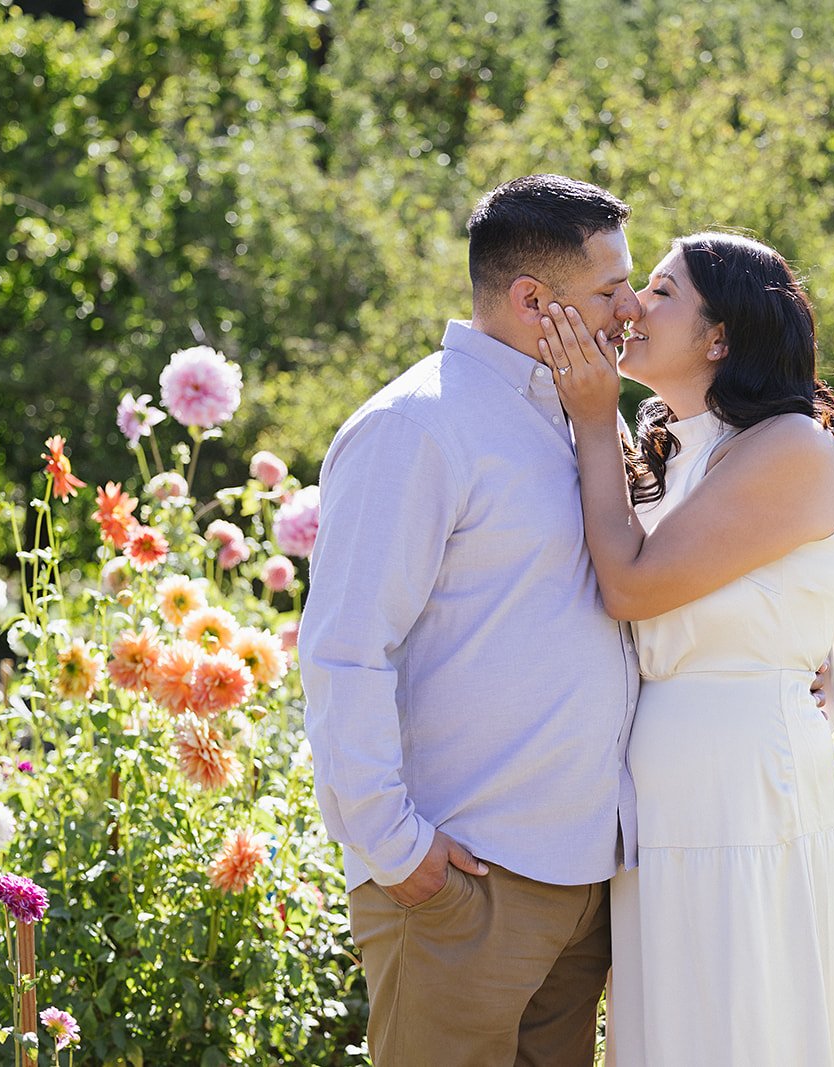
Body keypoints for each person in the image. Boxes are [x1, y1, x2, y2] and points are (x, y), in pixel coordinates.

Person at [299, 174, 643, 1066]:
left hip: (581, 888)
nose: (632, 308)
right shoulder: (418, 424)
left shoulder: (580, 419)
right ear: (535, 299)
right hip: (460, 887)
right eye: (611, 289)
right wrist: (393, 846)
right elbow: (344, 646)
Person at [537, 231, 834, 1066]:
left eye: (661, 292)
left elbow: (630, 586)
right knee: (673, 1020)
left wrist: (594, 420)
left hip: (739, 775)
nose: (631, 306)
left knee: (741, 1014)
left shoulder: (792, 445)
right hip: (665, 777)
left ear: (720, 337)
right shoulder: (675, 439)